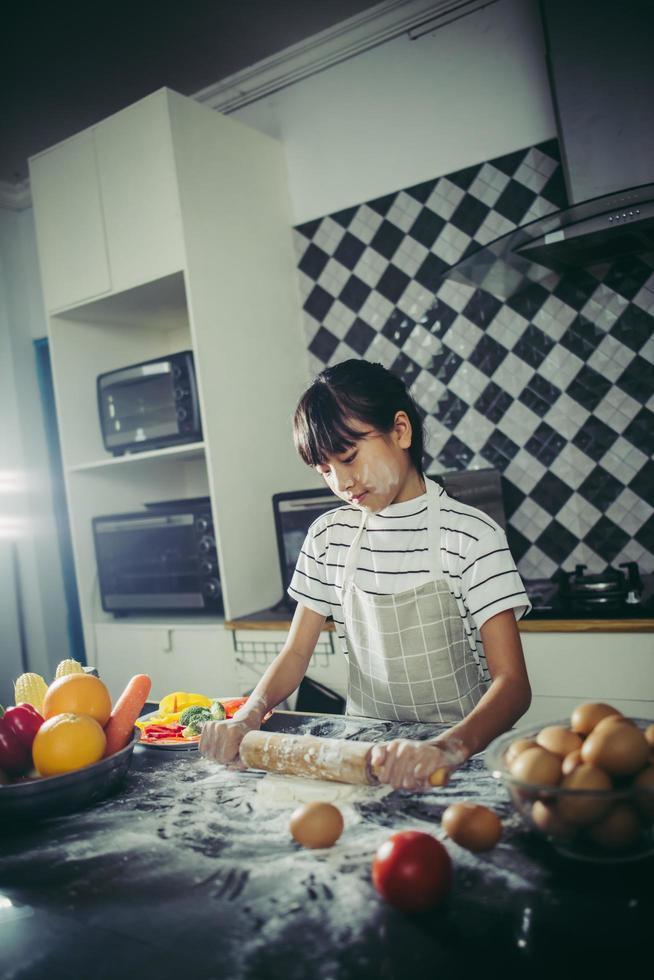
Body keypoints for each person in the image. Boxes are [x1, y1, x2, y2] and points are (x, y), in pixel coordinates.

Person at [200, 359, 532, 790]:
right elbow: (296, 654)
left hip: (457, 763)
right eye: (324, 470)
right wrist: (247, 715)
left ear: (401, 430)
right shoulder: (329, 536)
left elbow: (513, 685)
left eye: (349, 457)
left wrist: (445, 749)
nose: (342, 482)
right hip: (360, 761)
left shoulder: (471, 535)